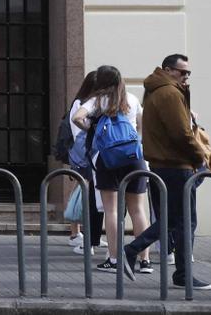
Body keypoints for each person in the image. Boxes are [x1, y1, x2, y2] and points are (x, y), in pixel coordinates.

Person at [121, 54, 211, 290]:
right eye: (182, 72)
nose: (186, 76)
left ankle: (133, 251)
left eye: (188, 73)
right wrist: (199, 156)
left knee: (171, 220)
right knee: (184, 221)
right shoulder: (169, 93)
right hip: (176, 164)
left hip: (163, 164)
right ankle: (181, 274)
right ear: (168, 70)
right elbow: (180, 133)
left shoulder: (156, 89)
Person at [72, 65, 151, 275]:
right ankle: (145, 260)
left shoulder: (96, 101)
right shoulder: (132, 99)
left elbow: (77, 118)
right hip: (134, 158)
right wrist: (137, 141)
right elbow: (143, 125)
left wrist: (93, 129)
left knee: (112, 210)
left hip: (108, 159)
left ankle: (115, 259)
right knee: (138, 209)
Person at [65, 70, 106, 256]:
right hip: (85, 153)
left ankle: (86, 233)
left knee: (87, 193)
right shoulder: (81, 104)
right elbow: (77, 133)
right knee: (82, 191)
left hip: (94, 153)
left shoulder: (97, 104)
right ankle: (76, 232)